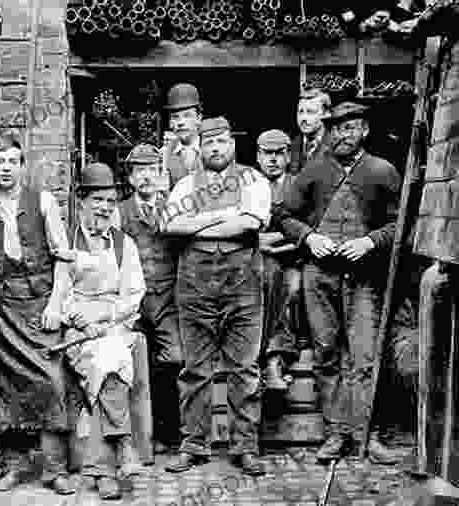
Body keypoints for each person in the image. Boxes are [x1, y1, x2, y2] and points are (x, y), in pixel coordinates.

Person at [277, 102, 402, 464]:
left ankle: (367, 436)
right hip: (320, 277)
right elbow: (282, 214)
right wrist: (308, 237)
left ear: (364, 131)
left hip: (364, 279)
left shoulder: (382, 171)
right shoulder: (314, 171)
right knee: (326, 355)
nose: (342, 135)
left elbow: (402, 225)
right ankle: (335, 434)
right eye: (336, 129)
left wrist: (370, 241)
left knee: (363, 359)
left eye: (350, 128)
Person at [0, 133, 75, 494]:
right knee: (3, 386)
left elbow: (63, 259)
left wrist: (56, 305)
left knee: (51, 381)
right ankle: (13, 466)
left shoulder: (43, 202)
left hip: (39, 308)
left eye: (13, 161)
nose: (6, 168)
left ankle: (55, 469)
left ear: (22, 166)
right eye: (0, 162)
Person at [162, 117, 271, 476]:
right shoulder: (183, 186)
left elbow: (249, 224)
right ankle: (193, 445)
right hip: (193, 284)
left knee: (245, 368)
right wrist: (224, 218)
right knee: (196, 369)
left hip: (242, 283)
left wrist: (200, 222)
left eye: (222, 141)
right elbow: (170, 226)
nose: (215, 148)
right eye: (209, 143)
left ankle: (245, 447)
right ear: (200, 147)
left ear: (232, 144)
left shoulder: (253, 179)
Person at [59, 162, 146, 500]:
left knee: (108, 355)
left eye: (111, 201)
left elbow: (134, 293)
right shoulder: (66, 241)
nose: (105, 208)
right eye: (97, 200)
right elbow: (58, 293)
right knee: (103, 359)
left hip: (113, 325)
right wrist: (81, 319)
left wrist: (107, 320)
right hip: (78, 329)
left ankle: (103, 471)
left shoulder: (124, 244)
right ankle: (123, 445)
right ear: (81, 199)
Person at [118, 144, 183, 455]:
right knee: (131, 364)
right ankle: (141, 436)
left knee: (174, 359)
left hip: (170, 298)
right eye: (139, 171)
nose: (146, 177)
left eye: (152, 171)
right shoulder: (119, 212)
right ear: (130, 178)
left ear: (161, 175)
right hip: (134, 301)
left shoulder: (177, 208)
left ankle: (170, 431)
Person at [256, 129, 302, 391]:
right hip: (257, 261)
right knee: (266, 282)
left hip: (293, 259)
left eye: (279, 153)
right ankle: (271, 361)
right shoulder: (247, 185)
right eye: (267, 154)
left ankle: (275, 360)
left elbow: (308, 226)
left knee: (293, 289)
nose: (273, 159)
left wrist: (277, 244)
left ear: (288, 156)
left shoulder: (299, 185)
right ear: (258, 157)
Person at [162, 83, 203, 189]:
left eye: (187, 116)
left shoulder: (212, 147)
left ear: (198, 118)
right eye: (175, 117)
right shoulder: (165, 154)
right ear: (171, 123)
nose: (180, 122)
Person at [290, 88, 332, 175]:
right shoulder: (289, 144)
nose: (303, 118)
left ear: (326, 114)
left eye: (310, 112)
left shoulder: (335, 145)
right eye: (300, 112)